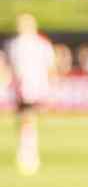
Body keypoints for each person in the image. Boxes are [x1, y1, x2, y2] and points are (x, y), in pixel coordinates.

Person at [6, 13, 55, 175]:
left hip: (31, 87)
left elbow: (49, 67)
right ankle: (27, 151)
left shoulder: (34, 44)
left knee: (27, 119)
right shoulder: (16, 44)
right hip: (25, 87)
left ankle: (28, 153)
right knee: (25, 120)